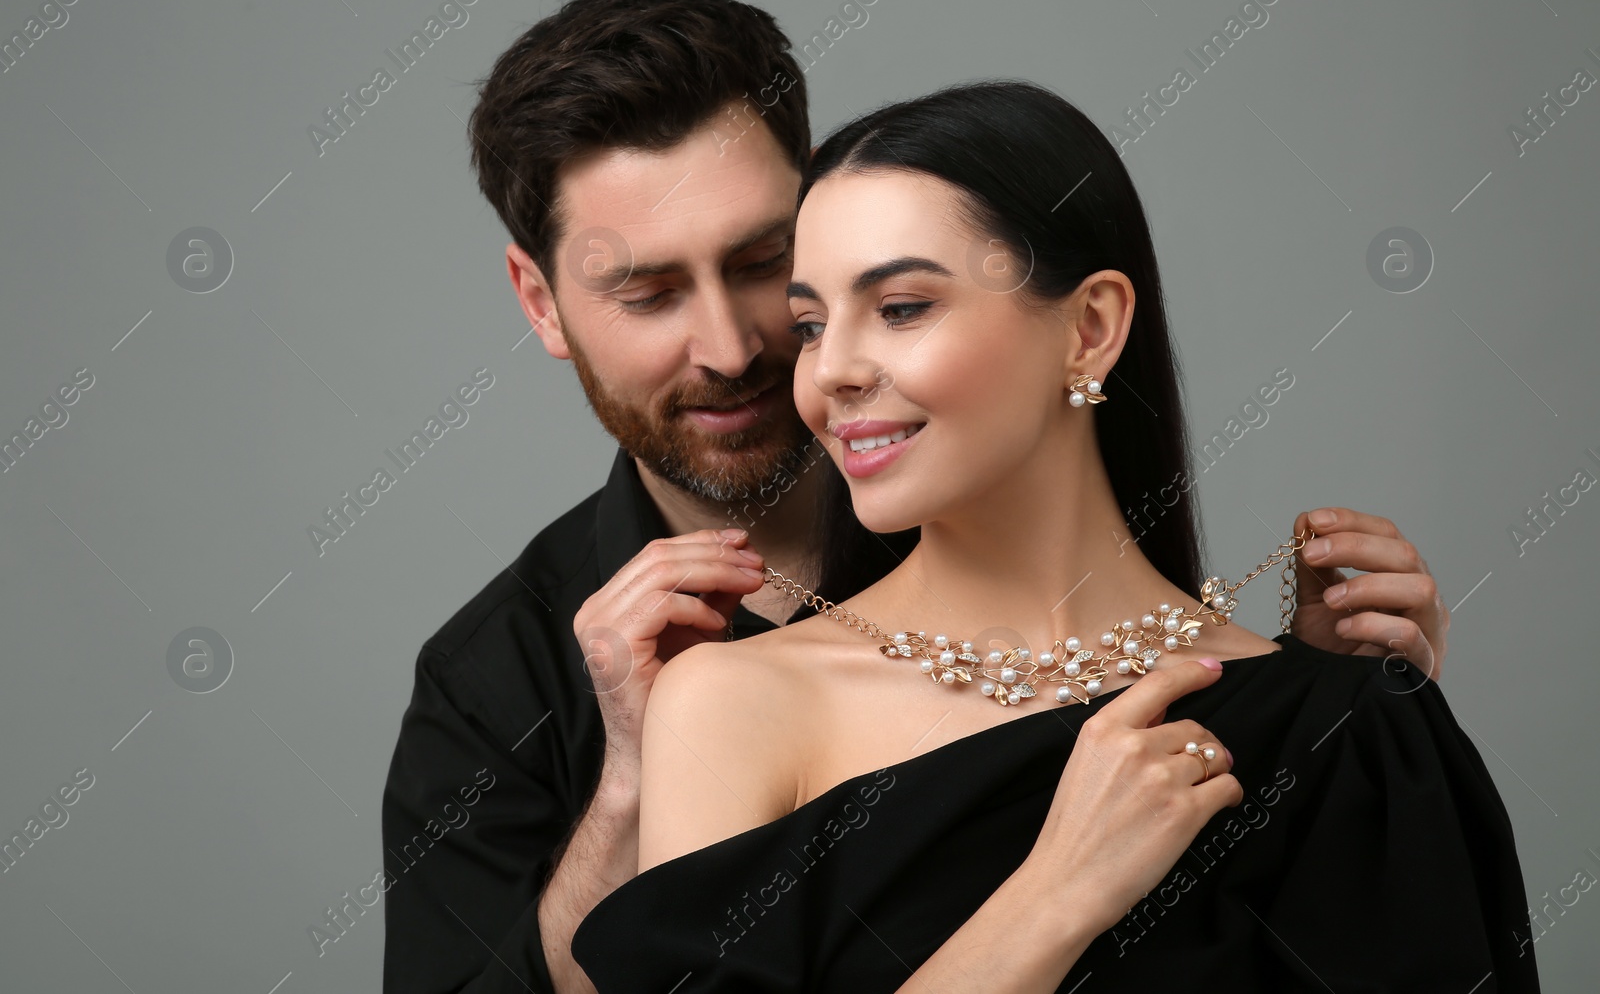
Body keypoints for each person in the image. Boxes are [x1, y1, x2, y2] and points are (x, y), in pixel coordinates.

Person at [379, 0, 1454, 994]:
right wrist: (629, 785)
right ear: (541, 300)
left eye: (767, 268)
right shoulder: (505, 684)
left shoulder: (1308, 706)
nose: (736, 345)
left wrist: (1311, 716)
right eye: (650, 291)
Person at [567, 80, 1539, 992]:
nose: (832, 374)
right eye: (812, 324)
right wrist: (1054, 896)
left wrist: (1326, 723)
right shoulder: (736, 701)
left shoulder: (1330, 728)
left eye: (900, 307)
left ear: (1089, 327)